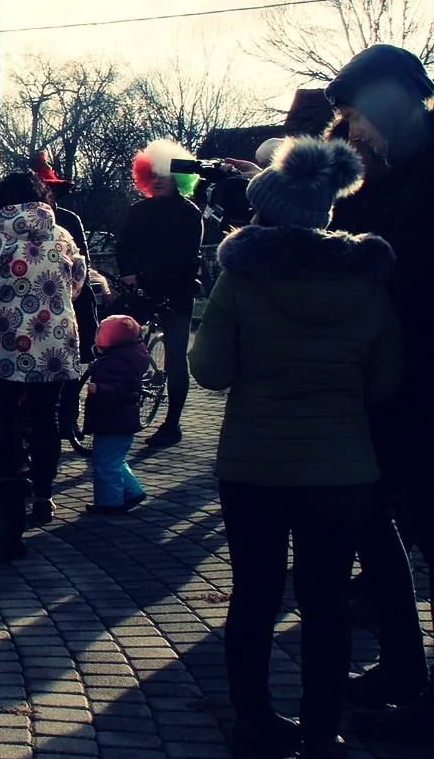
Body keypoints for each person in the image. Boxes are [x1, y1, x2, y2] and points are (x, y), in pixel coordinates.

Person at [189, 137, 399, 759]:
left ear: (268, 211)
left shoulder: (241, 279)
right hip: (340, 468)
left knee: (254, 594)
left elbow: (212, 371)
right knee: (326, 601)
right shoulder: (367, 282)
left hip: (254, 462)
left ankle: (253, 720)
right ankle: (321, 727)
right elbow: (386, 379)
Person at [317, 44, 434, 740]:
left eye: (357, 115)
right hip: (392, 386)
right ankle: (401, 666)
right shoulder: (392, 175)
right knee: (381, 521)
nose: (351, 131)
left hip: (420, 383)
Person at [0, 170, 87, 536]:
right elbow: (78, 282)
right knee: (45, 419)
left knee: (3, 418)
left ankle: (9, 490)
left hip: (9, 342)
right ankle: (44, 495)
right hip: (56, 342)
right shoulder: (63, 235)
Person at [117, 139, 204, 448]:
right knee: (120, 348)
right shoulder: (138, 210)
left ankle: (172, 424)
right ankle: (120, 413)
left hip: (176, 292)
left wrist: (144, 275)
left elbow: (183, 258)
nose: (157, 179)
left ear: (178, 178)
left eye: (164, 173)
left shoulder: (189, 214)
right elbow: (123, 246)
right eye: (152, 173)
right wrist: (129, 274)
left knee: (176, 360)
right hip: (140, 290)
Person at [35, 152, 99, 439]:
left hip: (68, 298)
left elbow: (82, 263)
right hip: (38, 301)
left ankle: (69, 419)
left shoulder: (68, 219)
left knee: (73, 366)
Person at [81, 315, 149, 516]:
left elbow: (119, 389)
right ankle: (133, 491)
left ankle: (110, 502)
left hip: (112, 421)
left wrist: (100, 389)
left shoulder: (114, 363)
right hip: (121, 421)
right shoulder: (129, 357)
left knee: (105, 463)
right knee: (114, 460)